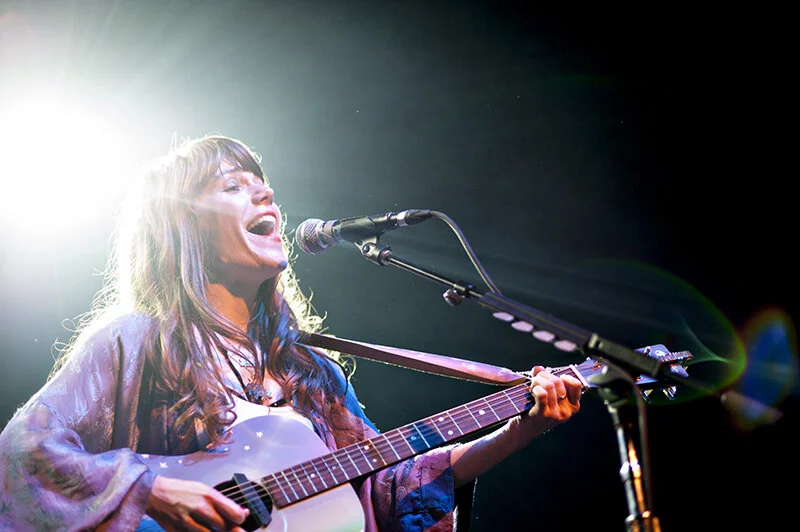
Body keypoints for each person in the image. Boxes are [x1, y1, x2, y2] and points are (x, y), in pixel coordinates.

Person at [0, 135, 583, 531]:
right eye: (232, 186)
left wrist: (520, 428)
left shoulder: (312, 372)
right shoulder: (136, 342)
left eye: (263, 183)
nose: (264, 193)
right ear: (180, 228)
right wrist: (148, 489)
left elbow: (388, 487)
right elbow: (23, 452)